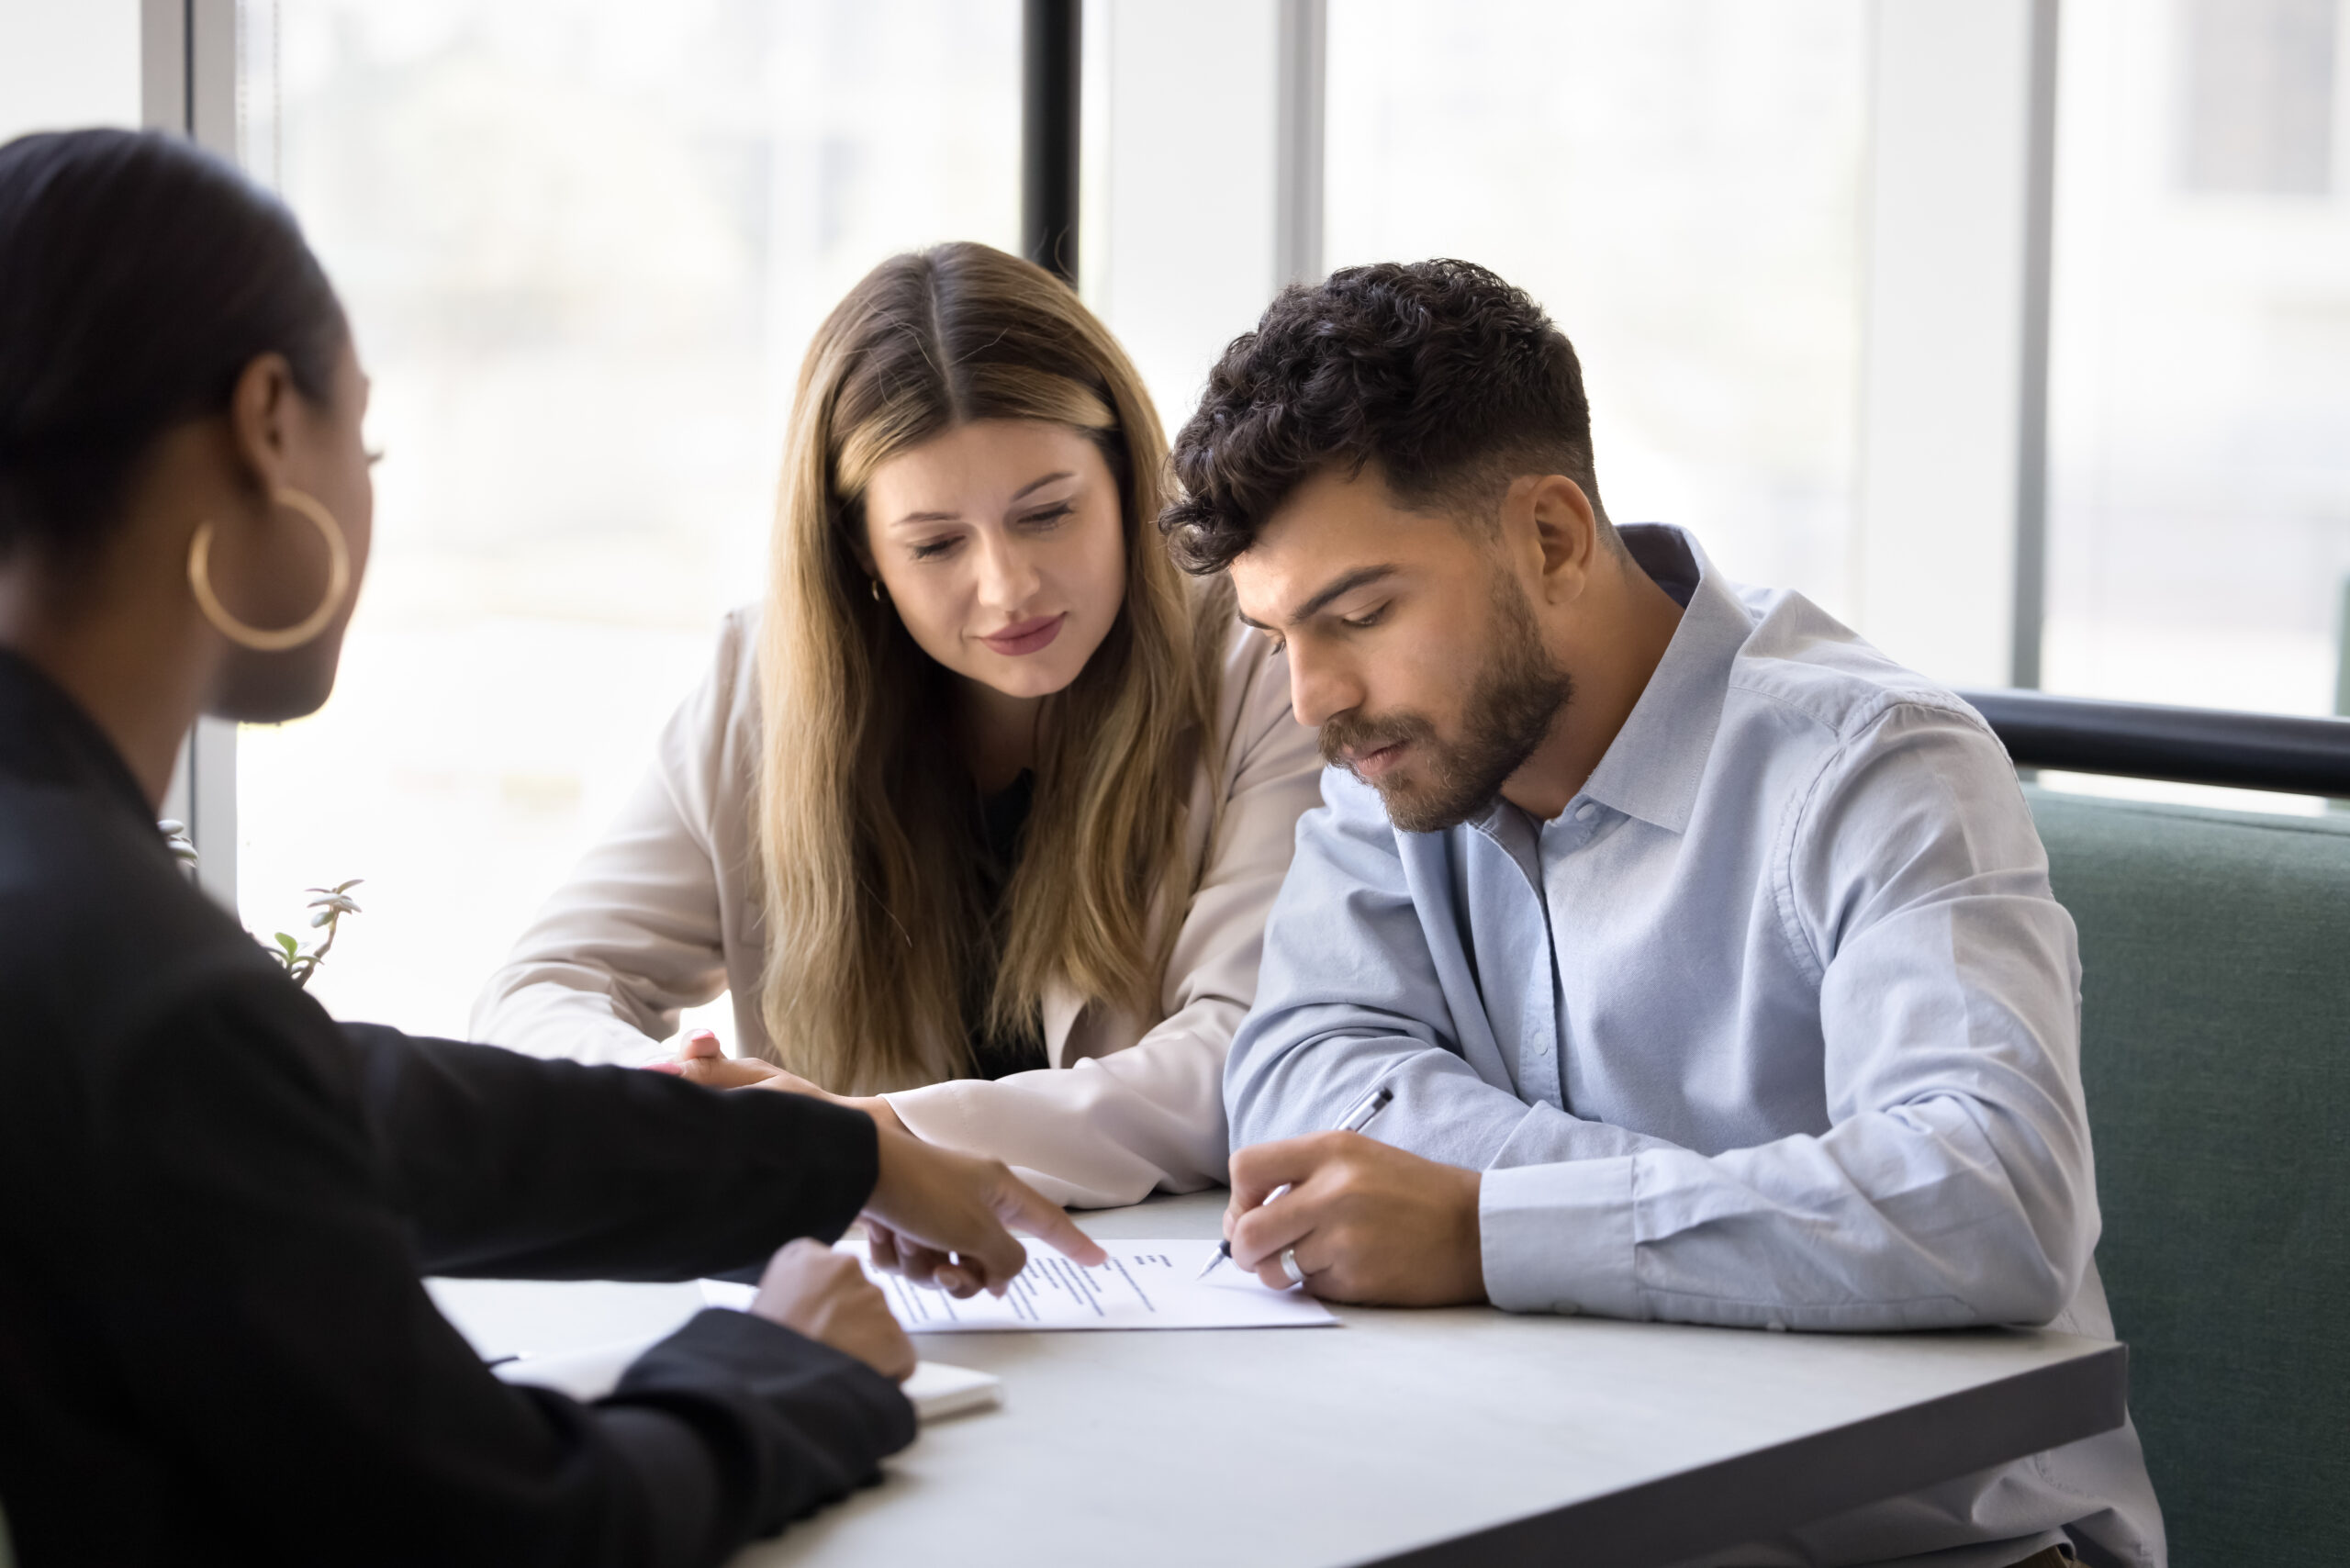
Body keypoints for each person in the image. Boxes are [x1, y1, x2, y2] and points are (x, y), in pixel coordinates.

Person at [0, 128, 1104, 1568]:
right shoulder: (127, 970)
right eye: (368, 442)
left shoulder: (60, 896)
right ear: (270, 425)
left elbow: (354, 1115)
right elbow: (499, 1526)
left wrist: (829, 1152)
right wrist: (787, 1367)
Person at [1158, 260, 2163, 1568]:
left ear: (1555, 539)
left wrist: (1480, 1229)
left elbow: (1993, 1201)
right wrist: (1685, 1219)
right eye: (1278, 633)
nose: (1313, 699)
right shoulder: (1401, 755)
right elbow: (1296, 1071)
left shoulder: (1880, 767)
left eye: (1360, 614)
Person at [471, 241, 1321, 1214]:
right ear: (859, 550)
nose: (1006, 587)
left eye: (1047, 514)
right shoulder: (762, 679)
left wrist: (864, 1142)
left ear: (1128, 483)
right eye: (936, 545)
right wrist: (681, 1100)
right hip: (868, 1297)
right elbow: (540, 988)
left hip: (1163, 1292)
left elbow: (1243, 1055)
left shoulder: (1259, 661)